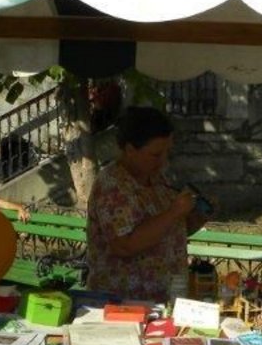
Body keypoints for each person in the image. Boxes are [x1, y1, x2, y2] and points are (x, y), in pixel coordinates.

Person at [86, 106, 210, 302]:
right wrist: (173, 212)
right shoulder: (112, 186)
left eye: (167, 152)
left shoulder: (158, 179)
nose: (163, 161)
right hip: (124, 304)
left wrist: (197, 216)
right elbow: (125, 245)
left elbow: (168, 232)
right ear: (130, 150)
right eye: (155, 154)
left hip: (164, 299)